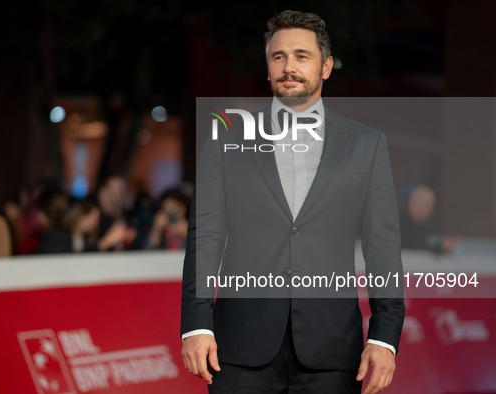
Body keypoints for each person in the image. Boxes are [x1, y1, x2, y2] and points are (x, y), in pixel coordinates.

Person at [181, 10, 405, 394]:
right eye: (278, 56)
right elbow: (205, 237)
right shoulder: (226, 137)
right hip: (238, 347)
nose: (289, 67)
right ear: (267, 68)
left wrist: (384, 337)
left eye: (302, 56)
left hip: (333, 352)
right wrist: (197, 324)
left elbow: (381, 247)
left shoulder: (366, 145)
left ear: (326, 67)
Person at [400, 184, 461, 253]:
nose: (431, 210)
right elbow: (410, 245)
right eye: (427, 205)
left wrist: (443, 245)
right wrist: (439, 246)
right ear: (415, 202)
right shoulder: (398, 222)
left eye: (432, 205)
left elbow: (433, 240)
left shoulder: (429, 226)